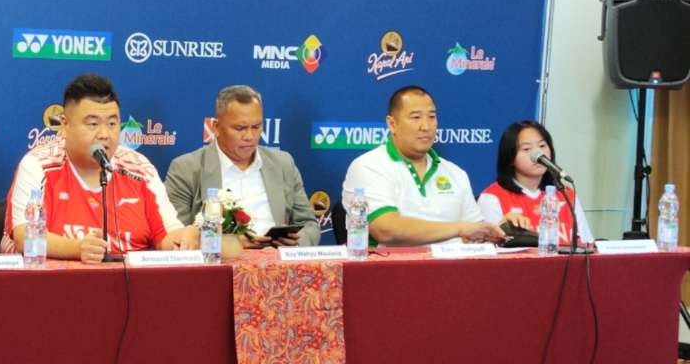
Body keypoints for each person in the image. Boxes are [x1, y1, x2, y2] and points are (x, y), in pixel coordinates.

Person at [2, 74, 197, 262]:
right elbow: (25, 237)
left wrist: (185, 239)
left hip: (129, 289)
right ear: (65, 125)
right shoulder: (39, 165)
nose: (104, 134)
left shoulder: (140, 169)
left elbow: (168, 235)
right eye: (93, 124)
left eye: (112, 123)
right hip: (51, 288)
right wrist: (77, 249)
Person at [342, 85, 506, 245]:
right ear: (392, 124)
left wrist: (498, 229)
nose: (426, 126)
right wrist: (459, 229)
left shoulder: (456, 173)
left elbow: (475, 232)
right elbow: (385, 230)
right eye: (415, 117)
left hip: (453, 269)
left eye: (431, 117)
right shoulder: (368, 166)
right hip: (391, 269)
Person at [165, 85, 320, 247]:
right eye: (240, 128)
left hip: (277, 262)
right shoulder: (186, 168)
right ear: (216, 127)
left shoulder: (283, 164)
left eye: (256, 127)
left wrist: (295, 242)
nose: (250, 136)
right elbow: (176, 236)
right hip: (221, 264)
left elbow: (309, 225)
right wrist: (230, 243)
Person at [478, 120, 594, 245]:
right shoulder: (492, 198)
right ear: (510, 157)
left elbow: (588, 245)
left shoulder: (566, 194)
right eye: (527, 149)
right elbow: (489, 251)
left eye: (542, 146)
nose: (538, 154)